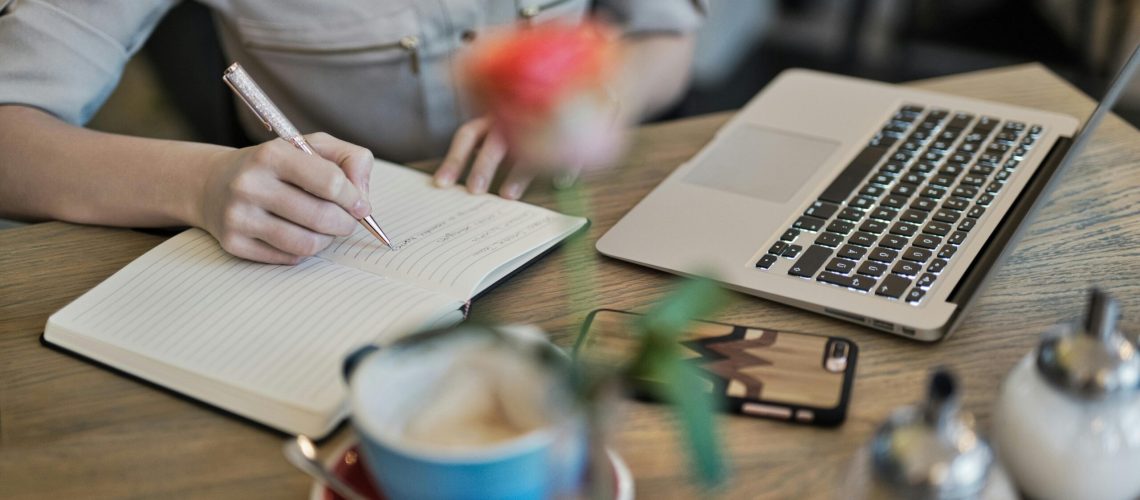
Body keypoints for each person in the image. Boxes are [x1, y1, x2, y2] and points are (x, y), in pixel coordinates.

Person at [0, 1, 703, 264]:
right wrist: (203, 181)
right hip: (318, 253)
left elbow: (666, 37)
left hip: (578, 222)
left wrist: (605, 95)